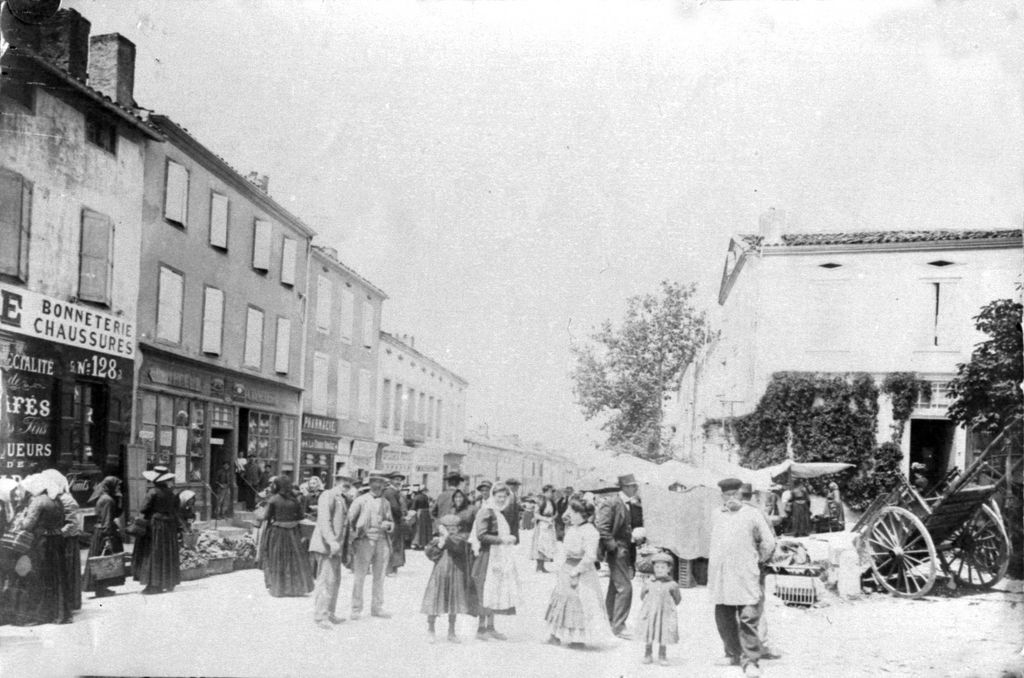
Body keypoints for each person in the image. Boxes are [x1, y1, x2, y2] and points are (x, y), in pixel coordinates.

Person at [709, 478, 776, 678]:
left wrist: (757, 561)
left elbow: (768, 543)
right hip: (722, 574)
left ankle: (750, 660)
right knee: (724, 615)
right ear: (722, 496)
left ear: (741, 494)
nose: (731, 498)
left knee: (748, 616)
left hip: (746, 572)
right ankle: (732, 654)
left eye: (734, 494)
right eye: (726, 495)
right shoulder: (716, 515)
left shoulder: (752, 514)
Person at [2, 473, 71, 625]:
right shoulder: (56, 500)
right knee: (57, 576)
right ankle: (59, 612)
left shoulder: (38, 502)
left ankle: (41, 614)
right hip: (57, 540)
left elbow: (28, 524)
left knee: (40, 576)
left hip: (43, 542)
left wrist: (18, 522)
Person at [543, 497, 611, 648]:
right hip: (567, 567)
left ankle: (577, 638)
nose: (570, 515)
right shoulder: (573, 528)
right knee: (562, 599)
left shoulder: (590, 531)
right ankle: (555, 635)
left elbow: (590, 556)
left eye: (574, 512)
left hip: (581, 571)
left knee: (579, 601)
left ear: (583, 515)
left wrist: (576, 571)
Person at [469, 482, 520, 641]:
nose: (501, 499)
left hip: (499, 555)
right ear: (493, 496)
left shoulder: (499, 512)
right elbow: (481, 535)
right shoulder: (486, 511)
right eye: (498, 497)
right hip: (488, 555)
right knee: (486, 589)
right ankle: (481, 628)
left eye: (504, 497)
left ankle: (491, 627)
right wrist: (502, 540)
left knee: (496, 589)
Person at [421, 513, 478, 643]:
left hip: (456, 572)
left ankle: (451, 631)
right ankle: (431, 629)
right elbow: (430, 554)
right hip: (439, 573)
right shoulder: (437, 540)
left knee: (454, 601)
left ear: (458, 528)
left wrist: (446, 538)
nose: (451, 530)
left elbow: (456, 546)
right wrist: (440, 543)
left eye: (454, 528)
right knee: (434, 600)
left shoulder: (461, 539)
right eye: (448, 528)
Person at [740, 483, 781, 661]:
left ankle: (738, 649)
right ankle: (761, 646)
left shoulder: (730, 513)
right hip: (755, 566)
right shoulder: (759, 513)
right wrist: (761, 560)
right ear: (753, 495)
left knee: (737, 606)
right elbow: (770, 542)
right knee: (757, 606)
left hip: (737, 566)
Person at [596, 474, 640, 637]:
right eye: (633, 486)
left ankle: (609, 621)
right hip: (617, 550)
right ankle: (619, 626)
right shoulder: (612, 502)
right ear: (625, 487)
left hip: (626, 547)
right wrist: (613, 548)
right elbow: (603, 527)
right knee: (625, 588)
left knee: (615, 587)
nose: (636, 489)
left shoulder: (627, 503)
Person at [347, 472, 395, 619]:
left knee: (380, 576)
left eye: (381, 482)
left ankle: (377, 607)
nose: (379, 485)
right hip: (364, 540)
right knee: (360, 575)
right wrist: (353, 538)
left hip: (381, 540)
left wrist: (388, 525)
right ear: (370, 483)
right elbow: (349, 520)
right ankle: (356, 608)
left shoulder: (385, 503)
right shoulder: (360, 500)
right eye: (376, 482)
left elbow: (391, 521)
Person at [258, 476, 314, 597]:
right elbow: (300, 517)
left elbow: (266, 517)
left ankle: (279, 588)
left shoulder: (273, 500)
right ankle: (295, 588)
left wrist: (259, 512)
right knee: (294, 560)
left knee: (277, 559)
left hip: (278, 533)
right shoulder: (295, 500)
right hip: (293, 533)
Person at [309, 468, 351, 629]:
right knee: (325, 581)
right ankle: (321, 616)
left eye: (349, 482)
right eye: (344, 480)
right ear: (337, 480)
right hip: (326, 546)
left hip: (336, 547)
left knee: (335, 581)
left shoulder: (342, 498)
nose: (347, 484)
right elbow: (324, 521)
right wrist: (332, 541)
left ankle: (330, 612)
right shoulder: (328, 495)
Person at [134, 468, 181, 595]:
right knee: (167, 552)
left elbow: (144, 509)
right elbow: (176, 509)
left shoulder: (152, 492)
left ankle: (154, 585)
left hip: (156, 525)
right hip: (169, 525)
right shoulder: (172, 493)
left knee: (153, 552)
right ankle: (168, 581)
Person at [43, 469, 82, 613]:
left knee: (68, 571)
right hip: (61, 539)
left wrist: (59, 533)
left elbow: (72, 523)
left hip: (68, 541)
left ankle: (70, 602)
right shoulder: (56, 498)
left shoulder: (67, 499)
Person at [82, 476, 125, 598]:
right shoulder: (108, 500)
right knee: (103, 560)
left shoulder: (106, 498)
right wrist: (107, 537)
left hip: (100, 531)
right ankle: (101, 588)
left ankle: (101, 587)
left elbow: (116, 513)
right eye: (116, 486)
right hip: (104, 532)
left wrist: (120, 499)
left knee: (102, 560)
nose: (118, 488)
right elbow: (107, 519)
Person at [639, 552, 681, 665]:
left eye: (663, 567)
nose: (659, 570)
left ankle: (662, 655)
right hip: (651, 611)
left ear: (669, 568)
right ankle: (648, 654)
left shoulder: (672, 584)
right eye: (657, 567)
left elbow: (677, 598)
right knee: (649, 630)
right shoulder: (649, 582)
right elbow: (642, 595)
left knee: (664, 632)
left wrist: (669, 606)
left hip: (665, 613)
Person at [383, 473, 408, 575]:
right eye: (396, 479)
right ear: (391, 481)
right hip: (393, 521)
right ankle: (389, 569)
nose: (398, 482)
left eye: (400, 480)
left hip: (394, 521)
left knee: (394, 544)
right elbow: (394, 507)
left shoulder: (395, 492)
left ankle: (392, 568)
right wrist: (402, 515)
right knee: (392, 544)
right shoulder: (390, 492)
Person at [531, 485, 558, 573]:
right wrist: (546, 519)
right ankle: (538, 567)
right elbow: (536, 515)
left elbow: (556, 513)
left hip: (550, 525)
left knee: (547, 545)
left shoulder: (552, 502)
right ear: (545, 492)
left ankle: (543, 566)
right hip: (542, 525)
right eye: (550, 492)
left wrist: (552, 519)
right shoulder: (540, 502)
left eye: (552, 492)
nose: (552, 494)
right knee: (540, 545)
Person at [410, 485, 432, 550]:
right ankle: (423, 543)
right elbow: (427, 506)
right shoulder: (425, 497)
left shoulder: (416, 497)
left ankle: (416, 543)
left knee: (418, 528)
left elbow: (413, 507)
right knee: (424, 529)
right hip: (426, 513)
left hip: (419, 513)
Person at [502, 478, 522, 543]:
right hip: (509, 522)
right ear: (511, 486)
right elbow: (507, 510)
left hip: (514, 522)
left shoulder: (514, 495)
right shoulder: (507, 495)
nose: (518, 487)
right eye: (517, 486)